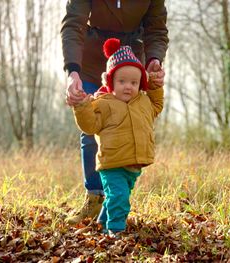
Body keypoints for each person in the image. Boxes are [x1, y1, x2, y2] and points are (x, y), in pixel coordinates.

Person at [61, 0, 169, 224]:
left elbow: (156, 28)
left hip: (130, 67)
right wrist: (73, 71)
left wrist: (154, 60)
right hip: (91, 64)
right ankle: (95, 197)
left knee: (127, 129)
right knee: (91, 131)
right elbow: (74, 24)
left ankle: (111, 204)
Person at [71, 38, 164, 235]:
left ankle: (103, 223)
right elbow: (89, 126)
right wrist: (82, 106)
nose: (128, 86)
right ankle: (115, 232)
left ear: (140, 84)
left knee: (116, 196)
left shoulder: (143, 103)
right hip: (111, 164)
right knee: (119, 197)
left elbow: (157, 105)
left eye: (134, 82)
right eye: (122, 81)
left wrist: (155, 87)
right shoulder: (103, 104)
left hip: (133, 165)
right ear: (111, 81)